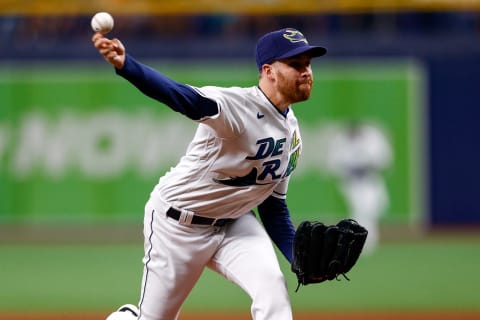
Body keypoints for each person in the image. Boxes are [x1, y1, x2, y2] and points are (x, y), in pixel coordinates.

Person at [92, 27, 327, 320]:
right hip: (178, 223)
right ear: (269, 71)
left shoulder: (292, 132)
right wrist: (128, 66)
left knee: (272, 291)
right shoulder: (237, 107)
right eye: (295, 65)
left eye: (308, 64)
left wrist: (298, 259)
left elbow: (272, 206)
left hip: (234, 223)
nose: (306, 72)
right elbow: (180, 96)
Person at [326, 121, 392, 254]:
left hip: (370, 179)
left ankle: (360, 240)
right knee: (360, 211)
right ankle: (363, 242)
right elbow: (335, 166)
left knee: (378, 206)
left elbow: (383, 161)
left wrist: (367, 165)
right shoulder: (341, 143)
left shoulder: (371, 140)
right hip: (353, 182)